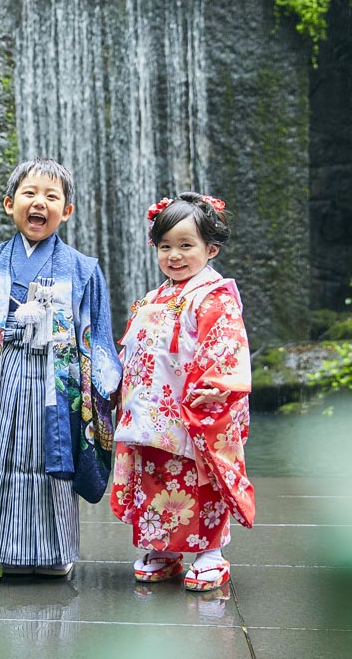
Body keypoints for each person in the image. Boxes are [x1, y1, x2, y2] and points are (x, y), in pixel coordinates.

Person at [0, 157, 122, 578]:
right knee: (5, 456)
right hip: (3, 376)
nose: (40, 203)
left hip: (60, 382)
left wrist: (106, 387)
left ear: (66, 211)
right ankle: (8, 549)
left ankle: (54, 552)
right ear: (9, 204)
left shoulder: (84, 269)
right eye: (30, 194)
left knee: (54, 458)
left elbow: (99, 335)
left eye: (52, 197)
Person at [110, 192, 256, 591]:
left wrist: (214, 387)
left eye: (186, 245)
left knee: (199, 478)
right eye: (165, 246)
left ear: (211, 248)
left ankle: (210, 553)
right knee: (158, 477)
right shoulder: (156, 297)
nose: (175, 256)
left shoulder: (215, 295)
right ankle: (164, 549)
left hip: (193, 408)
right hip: (151, 411)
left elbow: (225, 346)